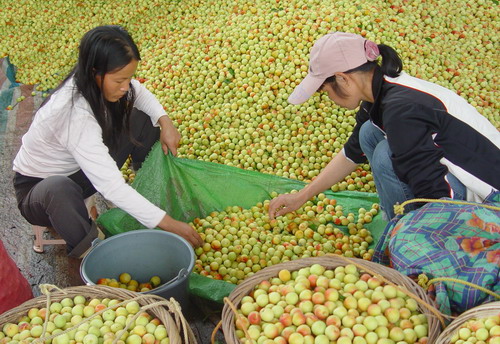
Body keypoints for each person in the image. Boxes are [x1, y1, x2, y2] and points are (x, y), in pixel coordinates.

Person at [12, 25, 202, 258]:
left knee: (142, 118)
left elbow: (138, 93)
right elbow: (111, 187)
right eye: (119, 80)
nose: (125, 87)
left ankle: (147, 191)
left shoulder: (94, 81)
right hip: (39, 191)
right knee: (59, 189)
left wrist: (165, 121)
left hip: (80, 171)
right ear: (95, 72)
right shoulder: (72, 113)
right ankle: (94, 251)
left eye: (129, 78)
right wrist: (169, 223)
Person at [269, 32, 500, 221]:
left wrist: (423, 237)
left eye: (324, 90)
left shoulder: (400, 110)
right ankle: (397, 219)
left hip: (489, 199)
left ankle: (401, 229)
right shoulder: (381, 93)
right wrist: (302, 196)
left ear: (342, 78)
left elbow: (432, 188)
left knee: (384, 156)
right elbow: (352, 153)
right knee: (369, 133)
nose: (327, 97)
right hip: (461, 172)